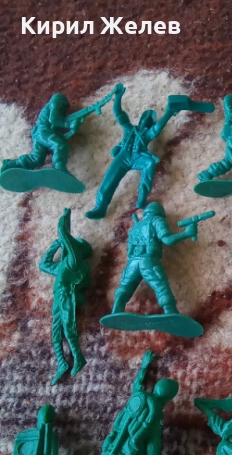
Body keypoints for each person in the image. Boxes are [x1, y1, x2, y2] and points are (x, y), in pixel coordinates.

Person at [85, 84, 175, 219]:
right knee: (109, 180)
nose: (146, 121)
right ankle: (100, 207)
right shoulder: (129, 128)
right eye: (145, 118)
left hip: (139, 156)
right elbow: (119, 114)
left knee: (150, 163)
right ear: (140, 120)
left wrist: (168, 113)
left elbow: (157, 129)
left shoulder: (148, 134)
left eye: (149, 120)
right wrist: (118, 97)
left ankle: (142, 197)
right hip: (123, 155)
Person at [110, 201, 196, 316]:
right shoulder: (157, 221)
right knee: (160, 286)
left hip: (132, 262)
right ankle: (170, 311)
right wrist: (186, 233)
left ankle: (117, 309)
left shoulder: (136, 227)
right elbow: (168, 240)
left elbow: (129, 250)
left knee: (125, 286)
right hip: (148, 260)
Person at [39, 209, 92, 384]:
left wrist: (64, 222)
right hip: (59, 298)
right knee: (56, 331)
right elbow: (44, 264)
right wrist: (57, 243)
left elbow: (63, 232)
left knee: (68, 328)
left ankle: (78, 357)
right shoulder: (63, 265)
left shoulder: (74, 262)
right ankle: (61, 362)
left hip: (67, 296)